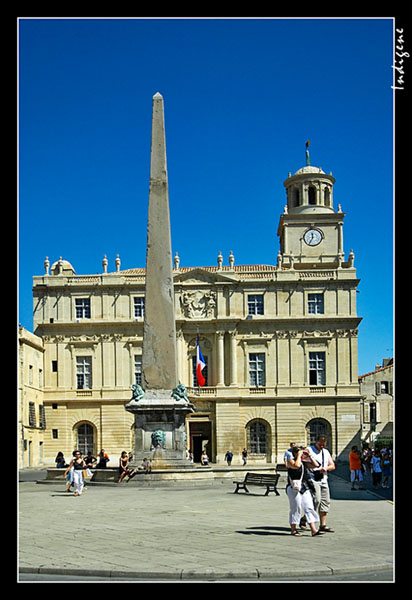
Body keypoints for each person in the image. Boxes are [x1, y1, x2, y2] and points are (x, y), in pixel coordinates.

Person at [286, 446, 325, 537]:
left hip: (304, 487)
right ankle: (293, 530)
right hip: (294, 488)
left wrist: (309, 456)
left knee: (309, 507)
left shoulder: (304, 462)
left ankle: (313, 530)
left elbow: (316, 465)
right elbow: (296, 466)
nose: (302, 454)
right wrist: (299, 455)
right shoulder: (290, 461)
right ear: (295, 453)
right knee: (296, 508)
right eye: (300, 452)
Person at [307, 435, 336, 533]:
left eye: (323, 445)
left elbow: (332, 465)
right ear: (316, 442)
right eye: (320, 445)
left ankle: (322, 525)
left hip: (324, 478)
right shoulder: (309, 450)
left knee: (325, 501)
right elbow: (305, 463)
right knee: (316, 500)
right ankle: (311, 522)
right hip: (313, 478)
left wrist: (325, 469)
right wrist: (315, 467)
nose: (322, 447)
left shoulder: (326, 452)